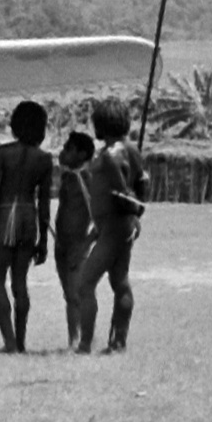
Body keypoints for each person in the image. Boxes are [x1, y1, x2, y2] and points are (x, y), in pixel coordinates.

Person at [0, 101, 53, 353]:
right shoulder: (44, 159)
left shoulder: (3, 153)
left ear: (15, 124)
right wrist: (43, 242)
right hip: (28, 218)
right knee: (20, 283)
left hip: (6, 216)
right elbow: (44, 203)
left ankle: (9, 341)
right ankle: (21, 342)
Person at [76, 98, 147, 354]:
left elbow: (121, 190)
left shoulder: (109, 156)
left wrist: (125, 214)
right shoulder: (132, 151)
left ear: (100, 125)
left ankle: (85, 345)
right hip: (121, 225)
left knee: (85, 283)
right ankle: (118, 343)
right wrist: (136, 214)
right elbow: (141, 183)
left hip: (113, 226)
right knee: (120, 282)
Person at [53, 131, 95, 348]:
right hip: (63, 245)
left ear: (81, 153)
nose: (62, 152)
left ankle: (83, 340)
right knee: (70, 295)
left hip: (78, 246)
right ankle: (74, 340)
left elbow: (99, 218)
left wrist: (85, 245)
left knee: (77, 294)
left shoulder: (86, 178)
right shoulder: (68, 177)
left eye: (68, 148)